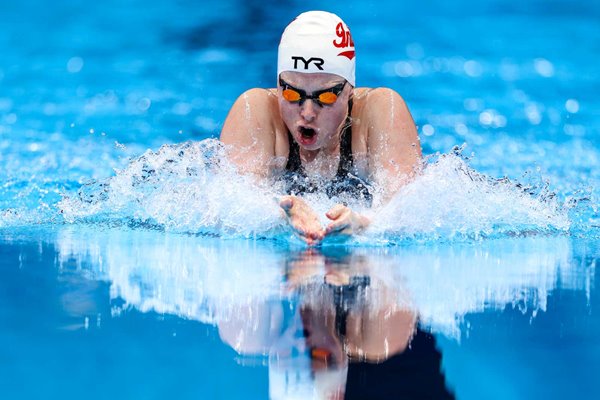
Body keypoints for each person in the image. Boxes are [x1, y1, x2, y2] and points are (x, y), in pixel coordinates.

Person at [220, 11, 422, 245]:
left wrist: (366, 223)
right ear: (278, 83)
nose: (307, 113)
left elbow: (408, 213)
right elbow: (231, 207)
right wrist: (280, 217)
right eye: (291, 93)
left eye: (325, 97)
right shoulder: (255, 110)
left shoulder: (381, 111)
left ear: (349, 90)